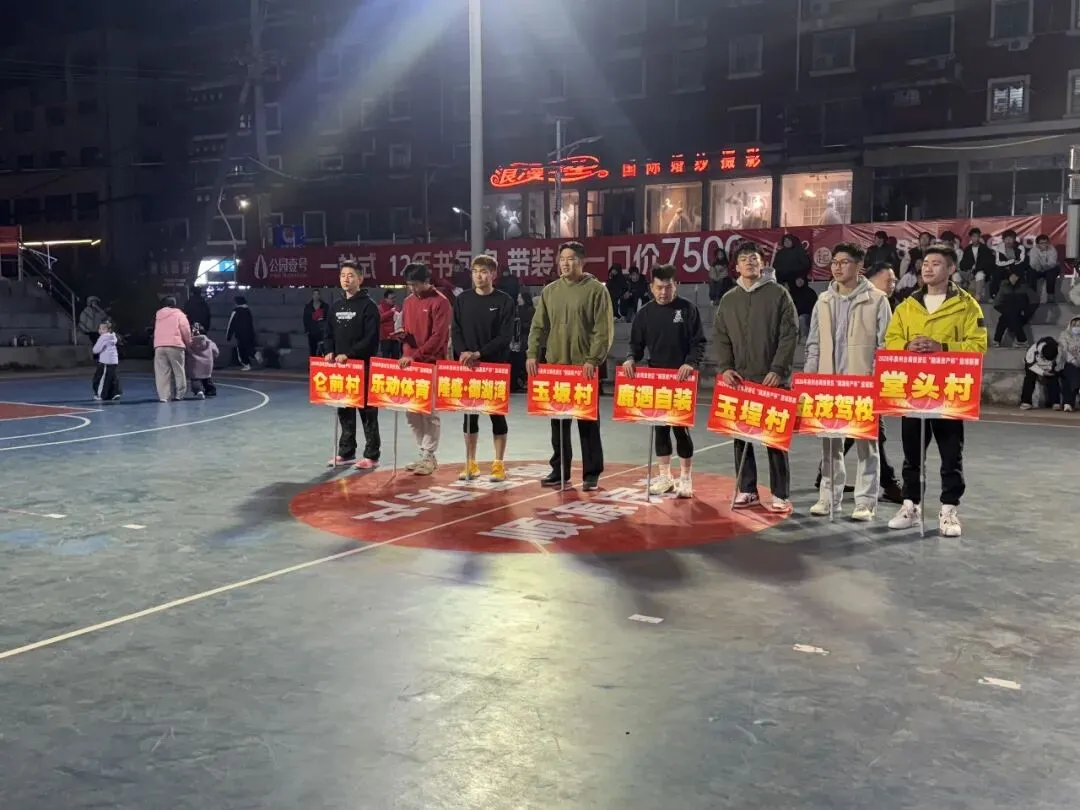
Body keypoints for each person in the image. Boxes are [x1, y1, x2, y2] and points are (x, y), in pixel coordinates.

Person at [885, 244, 988, 538]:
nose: (928, 268)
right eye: (926, 263)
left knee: (950, 453)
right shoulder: (907, 306)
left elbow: (978, 346)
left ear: (951, 269)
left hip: (949, 390)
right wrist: (907, 346)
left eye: (936, 263)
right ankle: (910, 505)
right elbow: (890, 340)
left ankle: (949, 508)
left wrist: (941, 347)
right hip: (913, 389)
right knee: (912, 452)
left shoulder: (967, 305)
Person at [803, 243, 893, 521]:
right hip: (827, 384)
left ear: (859, 266)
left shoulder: (877, 300)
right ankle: (828, 498)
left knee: (867, 445)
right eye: (834, 262)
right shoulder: (823, 300)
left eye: (844, 262)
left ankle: (865, 502)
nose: (837, 267)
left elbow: (885, 346)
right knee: (831, 445)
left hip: (861, 384)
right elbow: (814, 343)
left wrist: (875, 380)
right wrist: (810, 379)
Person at [713, 241, 798, 513]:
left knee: (775, 440)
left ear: (762, 263)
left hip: (772, 379)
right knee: (741, 437)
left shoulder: (779, 294)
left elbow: (789, 334)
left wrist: (778, 369)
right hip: (741, 380)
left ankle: (780, 494)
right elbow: (721, 336)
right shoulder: (729, 299)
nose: (749, 262)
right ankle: (747, 489)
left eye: (754, 258)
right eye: (744, 259)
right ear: (736, 267)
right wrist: (725, 368)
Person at [527, 240, 614, 490]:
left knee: (588, 423)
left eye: (571, 259)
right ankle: (559, 470)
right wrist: (532, 353)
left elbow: (603, 330)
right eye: (562, 259)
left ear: (582, 261)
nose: (565, 264)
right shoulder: (550, 291)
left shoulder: (596, 290)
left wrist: (593, 360)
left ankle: (591, 473)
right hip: (556, 366)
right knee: (558, 423)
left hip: (583, 368)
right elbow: (538, 326)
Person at [623, 263, 706, 498]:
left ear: (675, 285)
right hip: (657, 379)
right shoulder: (645, 313)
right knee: (660, 429)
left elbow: (698, 343)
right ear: (651, 287)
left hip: (681, 379)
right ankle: (665, 477)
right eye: (659, 287)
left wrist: (690, 363)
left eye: (668, 287)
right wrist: (630, 358)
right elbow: (635, 344)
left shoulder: (688, 309)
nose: (663, 292)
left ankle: (686, 478)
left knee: (680, 429)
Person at [451, 254, 516, 482]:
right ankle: (470, 462)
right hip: (468, 367)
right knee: (469, 418)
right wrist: (463, 352)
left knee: (497, 417)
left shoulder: (505, 301)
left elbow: (505, 336)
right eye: (475, 271)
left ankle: (498, 464)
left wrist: (479, 353)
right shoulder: (463, 299)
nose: (479, 276)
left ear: (493, 275)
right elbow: (455, 330)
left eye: (484, 271)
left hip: (494, 367)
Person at [325, 261, 382, 469]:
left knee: (367, 412)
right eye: (343, 275)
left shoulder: (369, 306)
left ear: (360, 279)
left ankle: (372, 455)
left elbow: (371, 339)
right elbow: (328, 333)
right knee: (344, 410)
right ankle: (346, 452)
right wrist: (329, 351)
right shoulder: (336, 306)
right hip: (341, 370)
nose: (346, 279)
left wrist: (349, 354)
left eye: (350, 275)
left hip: (362, 367)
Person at [399, 263, 453, 476]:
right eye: (409, 285)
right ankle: (423, 452)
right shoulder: (408, 302)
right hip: (410, 363)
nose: (412, 289)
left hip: (430, 363)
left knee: (429, 412)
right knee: (412, 412)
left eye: (415, 284)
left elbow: (439, 337)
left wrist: (415, 356)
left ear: (427, 281)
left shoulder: (441, 302)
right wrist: (402, 341)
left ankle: (429, 455)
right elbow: (406, 331)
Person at [153, 296, 192, 402]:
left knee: (162, 373)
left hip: (159, 345)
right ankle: (179, 394)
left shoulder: (158, 314)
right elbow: (185, 330)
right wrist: (188, 343)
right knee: (179, 370)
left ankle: (164, 396)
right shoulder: (179, 314)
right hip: (175, 345)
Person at [992, 270, 1034, 348]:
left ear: (1018, 277)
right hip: (1008, 313)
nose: (1013, 278)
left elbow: (1030, 303)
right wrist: (1006, 311)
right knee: (1006, 317)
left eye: (1015, 276)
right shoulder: (1004, 287)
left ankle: (996, 340)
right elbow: (997, 303)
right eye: (1011, 276)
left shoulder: (1024, 288)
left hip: (1021, 314)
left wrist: (1025, 312)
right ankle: (1022, 341)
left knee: (1009, 317)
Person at [1020, 337, 1063, 411]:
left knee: (1053, 378)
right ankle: (1026, 402)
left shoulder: (1059, 350)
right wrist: (1042, 372)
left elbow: (1059, 363)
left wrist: (1051, 370)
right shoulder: (1033, 350)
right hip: (1034, 365)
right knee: (1029, 379)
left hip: (1050, 367)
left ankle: (1055, 402)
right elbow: (1030, 364)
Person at [186, 322, 219, 399]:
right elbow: (216, 351)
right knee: (207, 378)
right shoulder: (209, 342)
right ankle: (211, 390)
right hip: (207, 364)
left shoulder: (189, 343)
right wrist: (213, 357)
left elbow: (186, 352)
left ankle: (198, 391)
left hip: (194, 364)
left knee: (195, 379)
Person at [959, 227, 995, 298]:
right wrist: (968, 270)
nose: (975, 238)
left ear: (979, 237)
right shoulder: (967, 249)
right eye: (973, 236)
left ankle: (978, 296)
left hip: (981, 272)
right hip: (969, 273)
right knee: (956, 275)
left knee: (979, 274)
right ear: (970, 238)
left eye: (977, 236)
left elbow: (986, 264)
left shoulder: (984, 249)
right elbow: (962, 264)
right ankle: (959, 297)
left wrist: (974, 272)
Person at [91, 320, 122, 401]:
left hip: (106, 362)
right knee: (112, 378)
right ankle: (115, 393)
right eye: (100, 328)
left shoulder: (103, 337)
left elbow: (96, 350)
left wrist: (94, 350)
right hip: (114, 361)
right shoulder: (113, 336)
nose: (100, 330)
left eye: (103, 329)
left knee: (101, 379)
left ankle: (101, 395)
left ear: (108, 330)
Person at [510, 291, 534, 392]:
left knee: (523, 360)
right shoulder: (516, 310)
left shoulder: (531, 310)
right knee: (516, 361)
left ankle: (526, 381)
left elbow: (531, 326)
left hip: (525, 339)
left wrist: (520, 324)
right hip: (515, 341)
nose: (518, 299)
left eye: (520, 297)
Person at [993, 229, 1027, 299]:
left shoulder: (1020, 247)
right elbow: (998, 263)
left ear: (1014, 239)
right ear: (1003, 240)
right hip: (1004, 269)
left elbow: (1021, 261)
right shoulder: (999, 247)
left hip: (1016, 268)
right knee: (997, 271)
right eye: (1006, 239)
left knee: (1020, 270)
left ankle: (1020, 296)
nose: (1008, 241)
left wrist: (1012, 271)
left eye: (1010, 238)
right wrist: (1011, 261)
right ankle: (994, 295)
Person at [226, 295, 256, 370]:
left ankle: (247, 364)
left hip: (240, 334)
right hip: (250, 333)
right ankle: (255, 354)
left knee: (241, 349)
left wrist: (228, 336)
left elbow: (231, 324)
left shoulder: (236, 311)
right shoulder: (248, 310)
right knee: (249, 347)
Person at [1028, 234, 1061, 303]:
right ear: (1037, 245)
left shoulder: (1052, 249)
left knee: (1051, 273)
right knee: (1031, 272)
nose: (1044, 245)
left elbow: (1052, 263)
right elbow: (1033, 264)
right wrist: (1039, 268)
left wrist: (1044, 267)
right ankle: (1032, 296)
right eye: (1042, 243)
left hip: (1049, 269)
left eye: (1046, 243)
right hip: (1037, 269)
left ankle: (1050, 296)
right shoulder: (1033, 250)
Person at [1059, 316, 1080, 412]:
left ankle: (1067, 403)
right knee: (1072, 371)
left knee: (1073, 375)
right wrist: (1073, 360)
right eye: (1074, 325)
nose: (1077, 327)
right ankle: (1069, 401)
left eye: (1079, 326)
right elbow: (1063, 350)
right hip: (1067, 362)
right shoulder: (1064, 334)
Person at [790, 276, 818, 343]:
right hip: (794, 314)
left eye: (801, 280)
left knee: (801, 318)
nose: (799, 281)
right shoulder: (792, 292)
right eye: (797, 280)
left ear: (804, 281)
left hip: (807, 315)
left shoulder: (810, 292)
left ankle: (804, 337)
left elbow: (814, 307)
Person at [303, 290, 329, 357]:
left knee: (323, 350)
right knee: (313, 350)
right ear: (312, 296)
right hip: (312, 332)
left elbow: (328, 318)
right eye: (314, 294)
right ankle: (312, 363)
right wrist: (307, 330)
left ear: (320, 296)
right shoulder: (308, 307)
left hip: (322, 332)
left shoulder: (325, 306)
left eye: (317, 294)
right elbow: (305, 319)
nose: (316, 296)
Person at [378, 291, 401, 359]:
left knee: (396, 357)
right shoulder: (380, 307)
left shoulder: (397, 307)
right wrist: (390, 312)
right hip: (385, 337)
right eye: (392, 298)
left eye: (394, 298)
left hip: (395, 337)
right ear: (386, 299)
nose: (394, 300)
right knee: (386, 358)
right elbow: (379, 318)